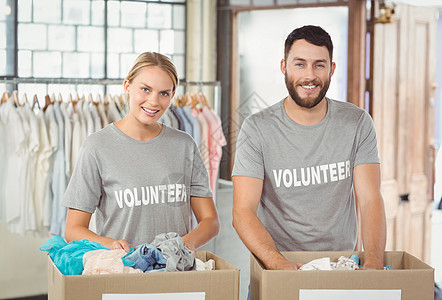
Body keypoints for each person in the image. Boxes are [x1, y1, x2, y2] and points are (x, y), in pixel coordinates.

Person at [232, 25, 386, 271]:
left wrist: (374, 263)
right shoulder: (257, 129)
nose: (310, 75)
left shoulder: (357, 122)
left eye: (319, 65)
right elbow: (242, 211)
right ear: (284, 67)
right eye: (300, 64)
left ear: (331, 69)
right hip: (277, 267)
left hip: (341, 266)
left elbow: (370, 199)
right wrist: (278, 263)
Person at [63, 52, 219, 252]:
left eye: (164, 93)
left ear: (172, 96)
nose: (154, 101)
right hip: (122, 273)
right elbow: (73, 229)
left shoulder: (184, 145)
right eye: (145, 89)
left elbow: (210, 221)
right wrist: (109, 244)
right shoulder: (97, 147)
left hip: (176, 276)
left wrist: (183, 244)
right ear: (127, 86)